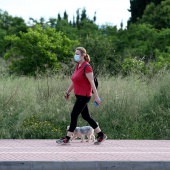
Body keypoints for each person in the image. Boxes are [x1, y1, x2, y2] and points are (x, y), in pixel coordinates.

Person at [56, 47, 107, 145]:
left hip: (85, 96)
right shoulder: (78, 66)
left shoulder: (87, 67)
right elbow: (74, 81)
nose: (76, 55)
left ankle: (67, 138)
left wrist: (96, 97)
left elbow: (92, 82)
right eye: (75, 53)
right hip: (78, 95)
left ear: (83, 55)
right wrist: (68, 92)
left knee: (74, 114)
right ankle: (101, 135)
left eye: (77, 54)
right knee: (86, 116)